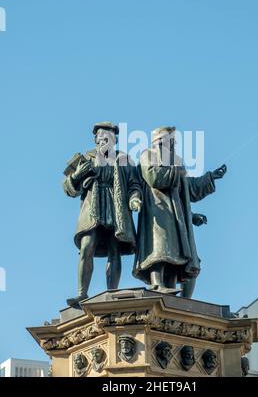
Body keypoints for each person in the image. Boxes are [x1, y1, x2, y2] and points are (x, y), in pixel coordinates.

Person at [133, 126, 226, 295]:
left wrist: (210, 178)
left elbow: (187, 188)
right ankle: (157, 284)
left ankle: (171, 287)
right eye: (170, 140)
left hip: (177, 215)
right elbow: (154, 177)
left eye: (174, 140)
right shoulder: (148, 155)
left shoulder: (176, 161)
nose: (173, 143)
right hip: (157, 209)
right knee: (159, 248)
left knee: (176, 254)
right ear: (160, 140)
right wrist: (177, 171)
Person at [63, 121, 142, 306]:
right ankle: (82, 293)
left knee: (114, 250)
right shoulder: (85, 158)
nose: (105, 139)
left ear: (114, 140)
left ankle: (112, 292)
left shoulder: (124, 159)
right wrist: (76, 176)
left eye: (109, 137)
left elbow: (134, 184)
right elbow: (67, 188)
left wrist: (134, 198)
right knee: (86, 247)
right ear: (95, 139)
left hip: (117, 209)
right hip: (92, 210)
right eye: (101, 136)